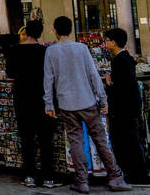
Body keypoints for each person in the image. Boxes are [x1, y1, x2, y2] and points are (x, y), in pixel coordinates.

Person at [44, 16, 131, 193]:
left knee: (75, 141)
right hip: (88, 101)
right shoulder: (82, 48)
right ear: (71, 29)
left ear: (55, 30)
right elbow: (93, 75)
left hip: (67, 104)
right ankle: (115, 177)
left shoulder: (51, 51)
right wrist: (103, 99)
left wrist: (49, 104)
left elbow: (48, 80)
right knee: (101, 140)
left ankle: (82, 181)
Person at [6, 20, 61, 188]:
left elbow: (10, 73)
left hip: (22, 99)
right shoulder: (46, 51)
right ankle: (48, 177)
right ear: (40, 34)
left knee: (27, 138)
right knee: (45, 139)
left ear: (26, 32)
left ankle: (29, 175)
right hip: (43, 99)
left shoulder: (14, 50)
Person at [104, 28, 150, 185]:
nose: (106, 43)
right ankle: (137, 172)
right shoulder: (125, 58)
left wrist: (109, 83)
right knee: (131, 141)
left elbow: (122, 88)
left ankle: (136, 174)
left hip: (124, 110)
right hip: (129, 109)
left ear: (113, 42)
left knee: (127, 142)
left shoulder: (119, 60)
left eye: (107, 40)